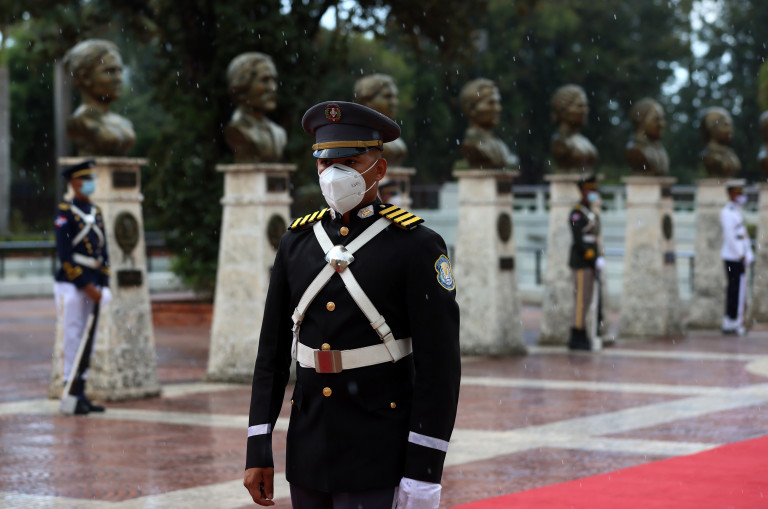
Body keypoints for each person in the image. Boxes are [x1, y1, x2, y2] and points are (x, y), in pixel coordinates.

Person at [243, 101, 461, 509]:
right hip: (308, 449)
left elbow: (440, 368)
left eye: (349, 162)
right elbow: (271, 354)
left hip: (378, 449)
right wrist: (258, 446)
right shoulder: (297, 242)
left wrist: (424, 472)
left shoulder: (416, 246)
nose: (334, 173)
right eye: (326, 162)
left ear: (379, 169)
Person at [53, 159, 111, 414]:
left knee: (89, 338)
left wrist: (103, 284)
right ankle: (70, 392)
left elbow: (104, 251)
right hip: (72, 284)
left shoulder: (95, 211)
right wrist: (86, 286)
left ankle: (82, 392)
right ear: (74, 182)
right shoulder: (65, 213)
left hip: (94, 283)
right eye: (86, 179)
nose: (90, 184)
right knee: (72, 337)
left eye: (91, 179)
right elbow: (65, 256)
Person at [64, 39, 135, 156]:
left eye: (120, 71)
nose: (119, 79)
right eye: (110, 71)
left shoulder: (124, 123)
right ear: (85, 77)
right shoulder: (81, 123)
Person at [224, 52, 287, 163]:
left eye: (274, 80)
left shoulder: (278, 133)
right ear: (241, 87)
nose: (273, 88)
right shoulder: (237, 130)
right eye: (265, 80)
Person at [568, 175, 603, 351]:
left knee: (587, 300)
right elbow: (579, 240)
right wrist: (592, 257)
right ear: (583, 191)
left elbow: (594, 238)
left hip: (590, 262)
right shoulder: (577, 212)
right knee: (581, 300)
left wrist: (599, 257)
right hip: (581, 262)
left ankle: (582, 332)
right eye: (590, 190)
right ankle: (577, 335)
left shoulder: (590, 211)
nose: (593, 193)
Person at [458, 78, 519, 170]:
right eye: (491, 103)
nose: (498, 108)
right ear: (471, 109)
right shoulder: (472, 144)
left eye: (498, 103)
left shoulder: (497, 143)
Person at [720, 180, 754, 335]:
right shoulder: (727, 212)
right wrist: (741, 255)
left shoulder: (736, 211)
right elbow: (730, 237)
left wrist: (748, 254)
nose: (740, 196)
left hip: (738, 257)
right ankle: (733, 322)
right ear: (731, 194)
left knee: (736, 290)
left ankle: (731, 322)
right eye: (737, 193)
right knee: (736, 291)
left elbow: (743, 236)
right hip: (733, 257)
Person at [354, 74, 407, 167]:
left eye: (395, 97)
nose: (395, 102)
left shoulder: (392, 137)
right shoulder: (356, 137)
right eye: (387, 96)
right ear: (367, 101)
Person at [550, 84, 598, 173]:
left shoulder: (582, 139)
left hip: (586, 179)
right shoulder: (560, 142)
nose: (585, 110)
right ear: (563, 110)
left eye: (585, 106)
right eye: (580, 106)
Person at [625, 97, 670, 176]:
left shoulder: (658, 148)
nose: (662, 124)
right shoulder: (635, 150)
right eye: (656, 119)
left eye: (662, 119)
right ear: (640, 120)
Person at [699, 106, 741, 177]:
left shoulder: (728, 152)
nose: (731, 129)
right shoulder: (710, 156)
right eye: (726, 124)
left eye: (731, 125)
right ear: (711, 128)